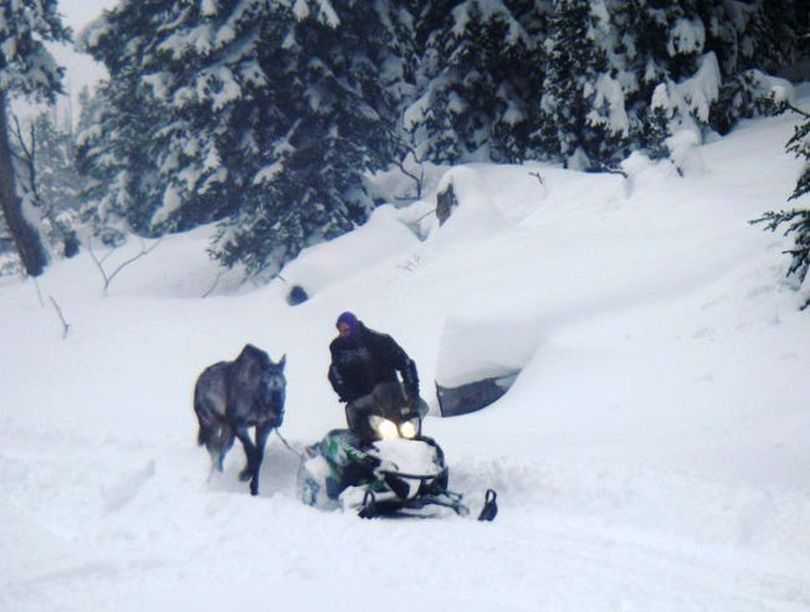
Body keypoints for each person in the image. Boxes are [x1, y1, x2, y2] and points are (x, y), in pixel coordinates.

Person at [328, 312, 426, 434]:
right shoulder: (337, 346)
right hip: (361, 399)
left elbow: (405, 363)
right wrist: (346, 393)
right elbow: (335, 372)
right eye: (341, 330)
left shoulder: (379, 341)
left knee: (414, 415)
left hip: (390, 395)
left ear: (354, 327)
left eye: (346, 330)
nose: (343, 334)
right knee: (356, 416)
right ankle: (360, 440)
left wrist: (412, 389)